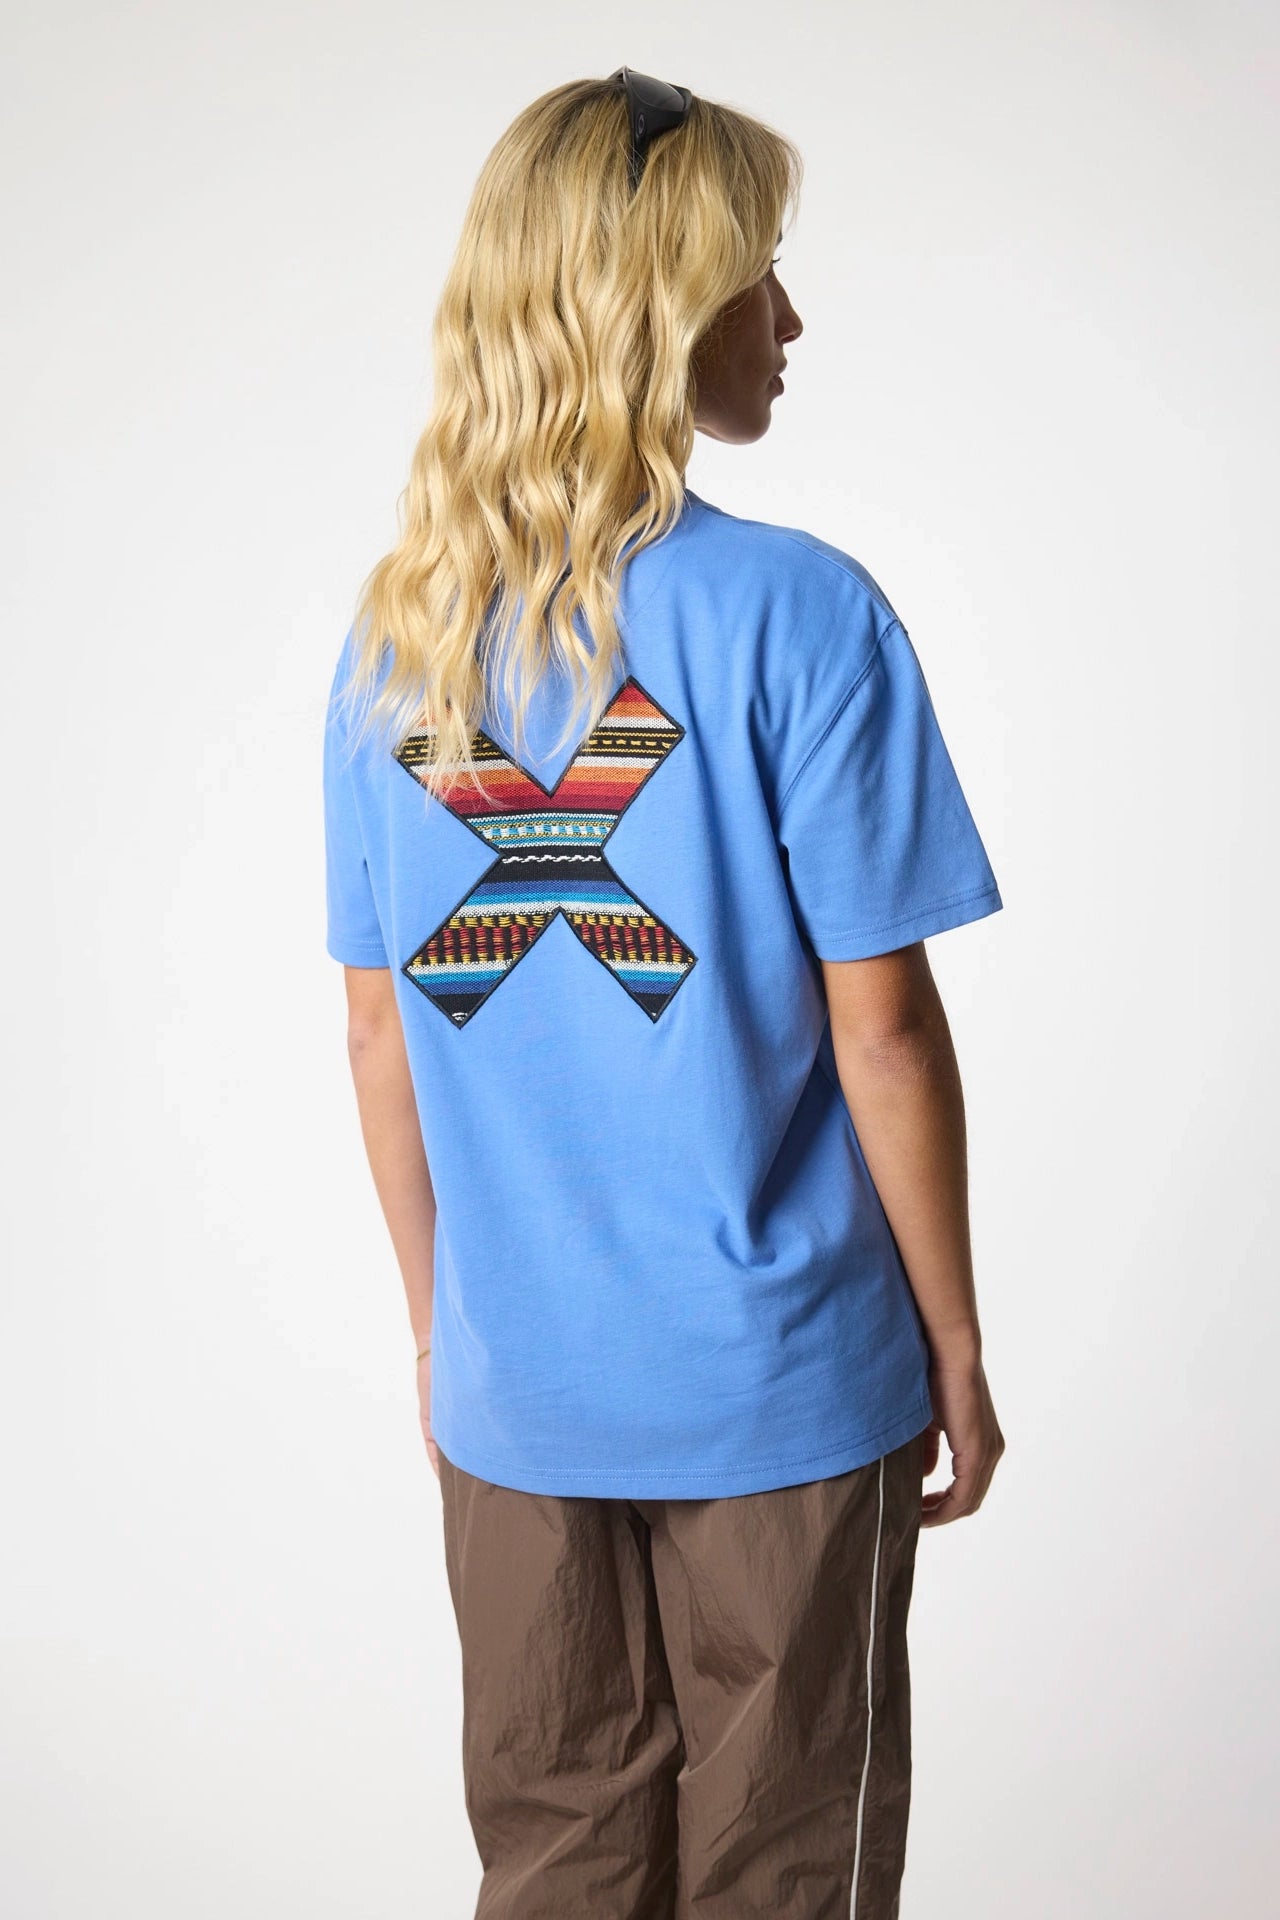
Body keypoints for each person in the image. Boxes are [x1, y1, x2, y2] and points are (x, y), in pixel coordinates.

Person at [323, 66, 1007, 1920]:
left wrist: (447, 1336)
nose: (791, 317)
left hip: (518, 1397)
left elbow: (381, 1032)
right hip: (783, 1387)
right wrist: (952, 1341)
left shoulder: (395, 645)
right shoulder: (804, 613)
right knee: (786, 1872)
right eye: (755, 274)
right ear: (656, 309)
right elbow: (883, 1028)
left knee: (554, 1859)